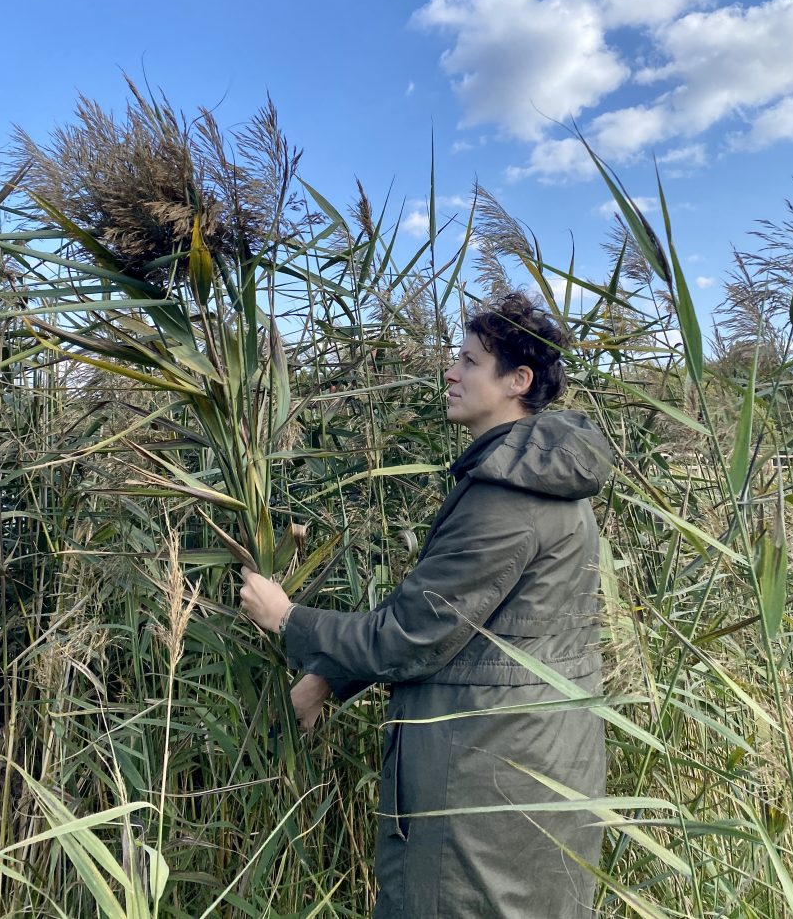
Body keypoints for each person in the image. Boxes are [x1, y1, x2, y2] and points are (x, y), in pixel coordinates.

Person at [240, 292, 612, 917]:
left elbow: (410, 635)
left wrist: (288, 619)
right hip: (533, 762)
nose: (451, 372)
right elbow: (456, 619)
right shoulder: (541, 480)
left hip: (483, 780)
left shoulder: (507, 498)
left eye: (469, 361)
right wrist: (327, 680)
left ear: (517, 381)